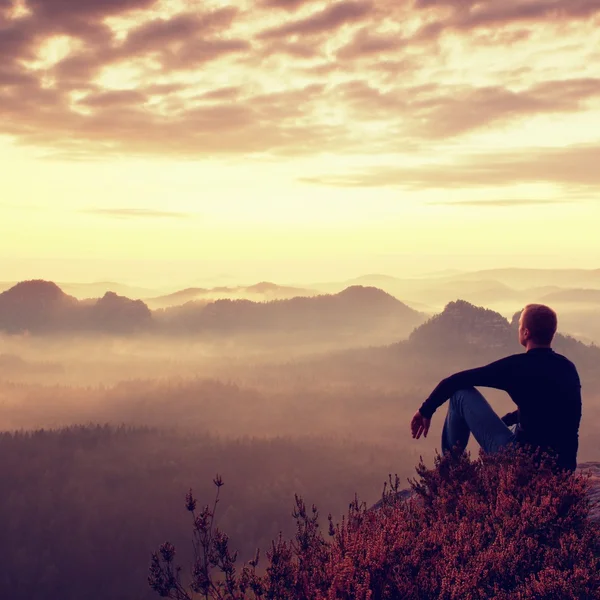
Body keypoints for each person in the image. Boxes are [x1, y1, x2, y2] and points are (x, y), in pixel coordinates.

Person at [410, 304, 582, 472]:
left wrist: (426, 410)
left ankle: (448, 471)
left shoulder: (516, 367)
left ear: (526, 333)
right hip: (563, 468)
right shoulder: (568, 368)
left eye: (520, 325)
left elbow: (456, 381)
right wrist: (502, 422)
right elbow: (546, 410)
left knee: (459, 395)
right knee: (521, 428)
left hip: (523, 465)